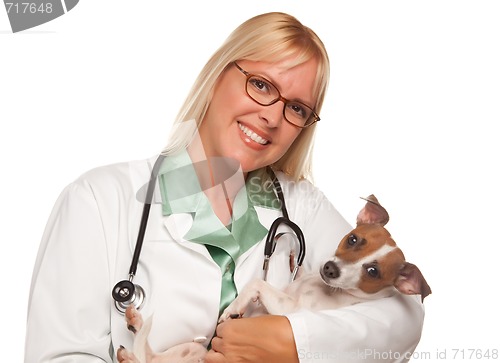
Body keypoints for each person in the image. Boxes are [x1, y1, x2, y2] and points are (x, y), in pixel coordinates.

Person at [24, 12, 425, 363]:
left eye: (297, 108)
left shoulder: (302, 208)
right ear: (218, 74)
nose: (272, 117)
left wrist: (294, 342)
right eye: (262, 85)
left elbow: (404, 316)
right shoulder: (98, 200)